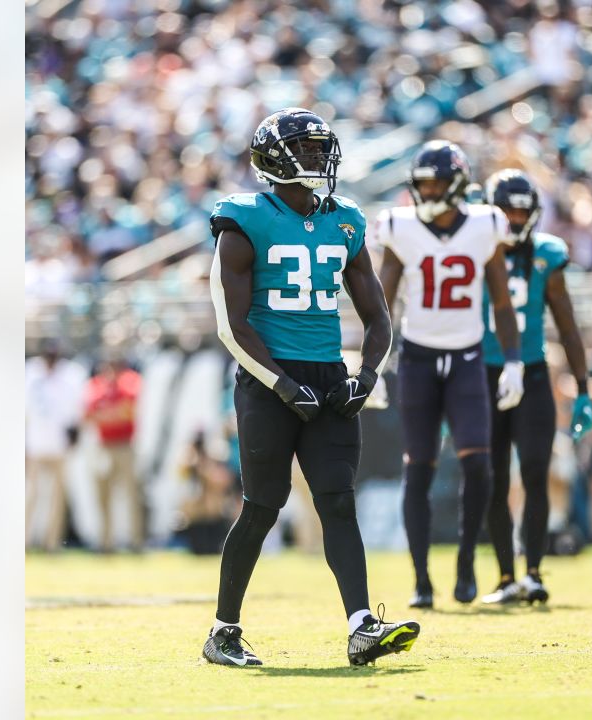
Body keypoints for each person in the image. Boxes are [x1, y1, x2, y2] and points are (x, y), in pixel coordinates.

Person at [202, 108, 420, 668]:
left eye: (323, 147)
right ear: (274, 158)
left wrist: (365, 376)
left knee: (337, 502)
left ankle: (361, 626)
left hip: (325, 376)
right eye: (307, 147)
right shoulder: (242, 218)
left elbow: (377, 315)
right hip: (266, 375)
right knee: (262, 506)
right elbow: (231, 325)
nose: (321, 158)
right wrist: (278, 382)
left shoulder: (345, 219)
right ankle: (223, 631)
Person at [375, 141, 525, 607]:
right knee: (418, 468)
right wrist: (373, 366)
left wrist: (514, 360)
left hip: (466, 359)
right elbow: (382, 308)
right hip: (418, 360)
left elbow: (501, 301)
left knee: (478, 465)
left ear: (457, 184)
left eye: (434, 182)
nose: (427, 192)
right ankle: (421, 579)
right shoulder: (400, 228)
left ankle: (465, 562)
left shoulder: (484, 225)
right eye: (421, 184)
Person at [477, 169, 592, 605]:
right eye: (505, 209)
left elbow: (567, 325)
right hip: (484, 374)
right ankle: (506, 575)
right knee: (491, 478)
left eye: (521, 210)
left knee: (534, 470)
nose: (513, 217)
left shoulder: (547, 254)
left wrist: (583, 388)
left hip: (532, 372)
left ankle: (532, 572)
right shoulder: (473, 250)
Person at [25, 339, 87, 552]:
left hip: (59, 446)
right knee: (31, 495)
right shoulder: (31, 372)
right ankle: (24, 539)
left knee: (57, 498)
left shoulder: (70, 374)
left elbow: (77, 410)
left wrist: (74, 436)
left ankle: (51, 543)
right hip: (36, 445)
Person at [83, 359, 143, 553]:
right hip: (104, 445)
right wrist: (113, 414)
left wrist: (106, 414)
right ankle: (105, 542)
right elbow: (88, 414)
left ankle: (135, 541)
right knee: (102, 495)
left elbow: (129, 411)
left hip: (125, 445)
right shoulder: (96, 385)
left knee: (131, 495)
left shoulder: (130, 381)